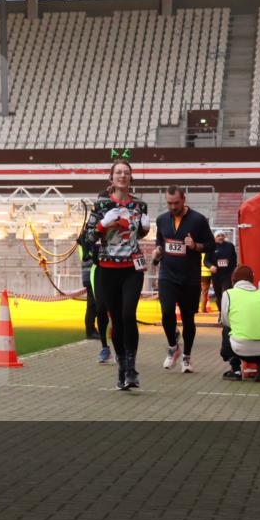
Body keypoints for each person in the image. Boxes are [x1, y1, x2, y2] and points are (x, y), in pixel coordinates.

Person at [82, 158, 151, 390]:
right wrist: (102, 225)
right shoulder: (101, 206)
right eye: (118, 172)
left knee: (129, 315)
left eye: (126, 172)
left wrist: (144, 230)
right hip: (106, 270)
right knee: (116, 320)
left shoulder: (140, 205)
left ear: (131, 178)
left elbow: (136, 236)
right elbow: (87, 238)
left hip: (132, 269)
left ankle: (131, 368)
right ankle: (121, 365)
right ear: (111, 178)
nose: (122, 176)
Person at [152, 186, 215, 373]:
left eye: (176, 203)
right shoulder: (162, 219)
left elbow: (210, 245)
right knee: (166, 313)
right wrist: (157, 251)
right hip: (167, 276)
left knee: (188, 320)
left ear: (184, 199)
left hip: (190, 278)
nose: (172, 207)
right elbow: (160, 241)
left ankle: (186, 357)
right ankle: (173, 347)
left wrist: (195, 246)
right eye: (169, 203)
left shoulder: (198, 220)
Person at [220, 265, 260, 382]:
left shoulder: (228, 294)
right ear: (252, 280)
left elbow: (225, 321)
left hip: (241, 349)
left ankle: (236, 370)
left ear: (233, 280)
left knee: (226, 329)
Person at [79, 235, 111, 363]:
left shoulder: (85, 239)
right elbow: (89, 256)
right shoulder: (87, 240)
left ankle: (92, 329)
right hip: (92, 272)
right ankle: (90, 330)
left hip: (90, 272)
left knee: (93, 303)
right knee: (93, 304)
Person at [204, 231, 237, 311]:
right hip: (216, 275)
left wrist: (233, 268)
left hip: (227, 274)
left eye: (222, 235)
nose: (220, 237)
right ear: (215, 237)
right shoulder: (211, 247)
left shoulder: (230, 246)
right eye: (218, 236)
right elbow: (206, 261)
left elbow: (234, 258)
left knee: (226, 293)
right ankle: (221, 313)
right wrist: (211, 266)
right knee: (218, 295)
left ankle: (227, 313)